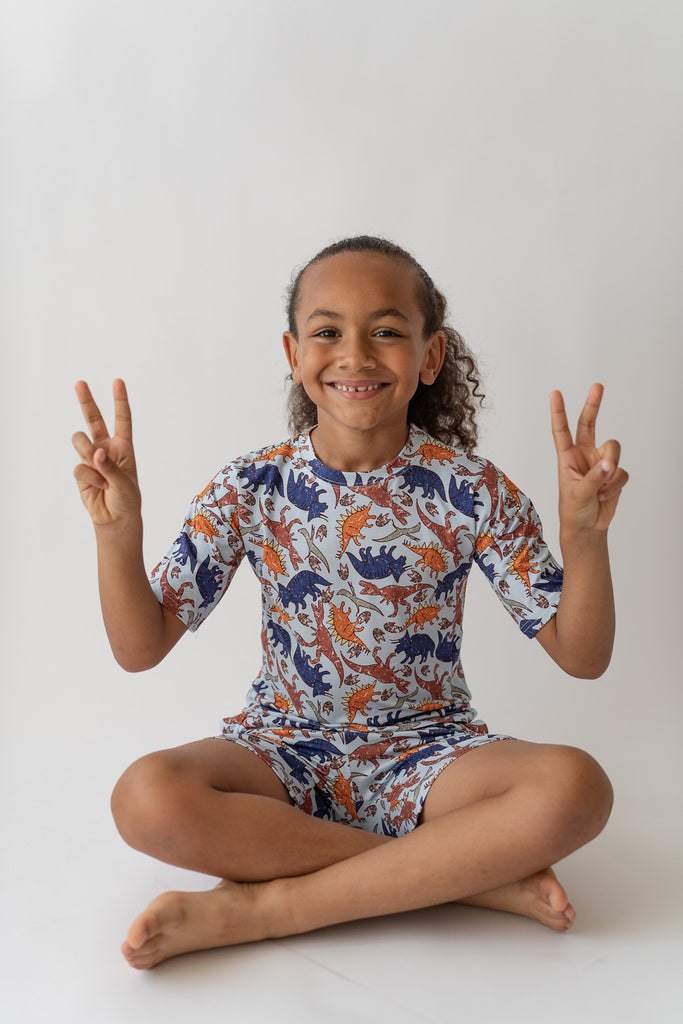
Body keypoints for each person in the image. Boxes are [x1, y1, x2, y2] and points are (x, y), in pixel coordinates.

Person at [72, 235, 627, 971]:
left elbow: (582, 657)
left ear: (429, 356)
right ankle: (463, 877)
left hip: (430, 754)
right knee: (145, 797)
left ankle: (268, 907)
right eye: (327, 331)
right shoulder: (251, 486)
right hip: (280, 751)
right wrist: (118, 532)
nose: (355, 355)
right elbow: (140, 648)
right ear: (293, 353)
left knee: (576, 788)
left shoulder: (472, 490)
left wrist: (584, 537)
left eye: (387, 331)